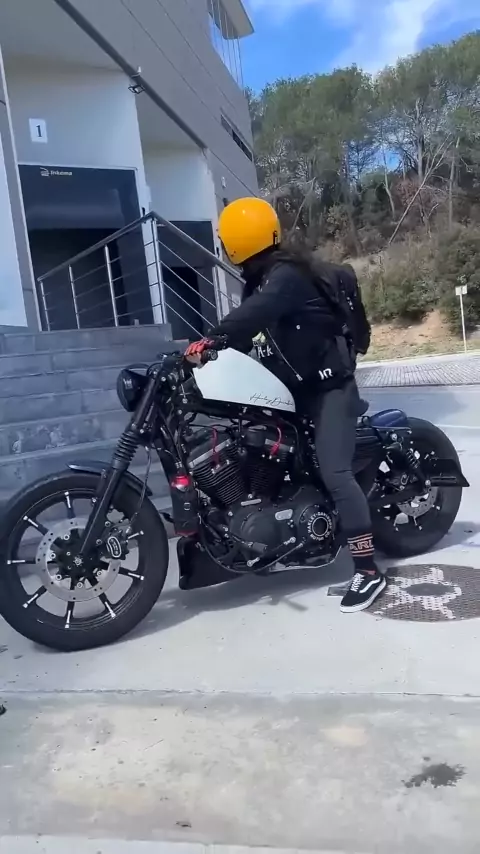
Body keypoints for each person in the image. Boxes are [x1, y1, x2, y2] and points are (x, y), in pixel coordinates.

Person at [185, 197, 385, 613]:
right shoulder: (260, 281)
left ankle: (368, 570)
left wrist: (212, 338)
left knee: (335, 472)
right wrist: (202, 363)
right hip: (295, 391)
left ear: (235, 242)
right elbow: (246, 333)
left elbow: (252, 316)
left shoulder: (287, 276)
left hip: (329, 390)